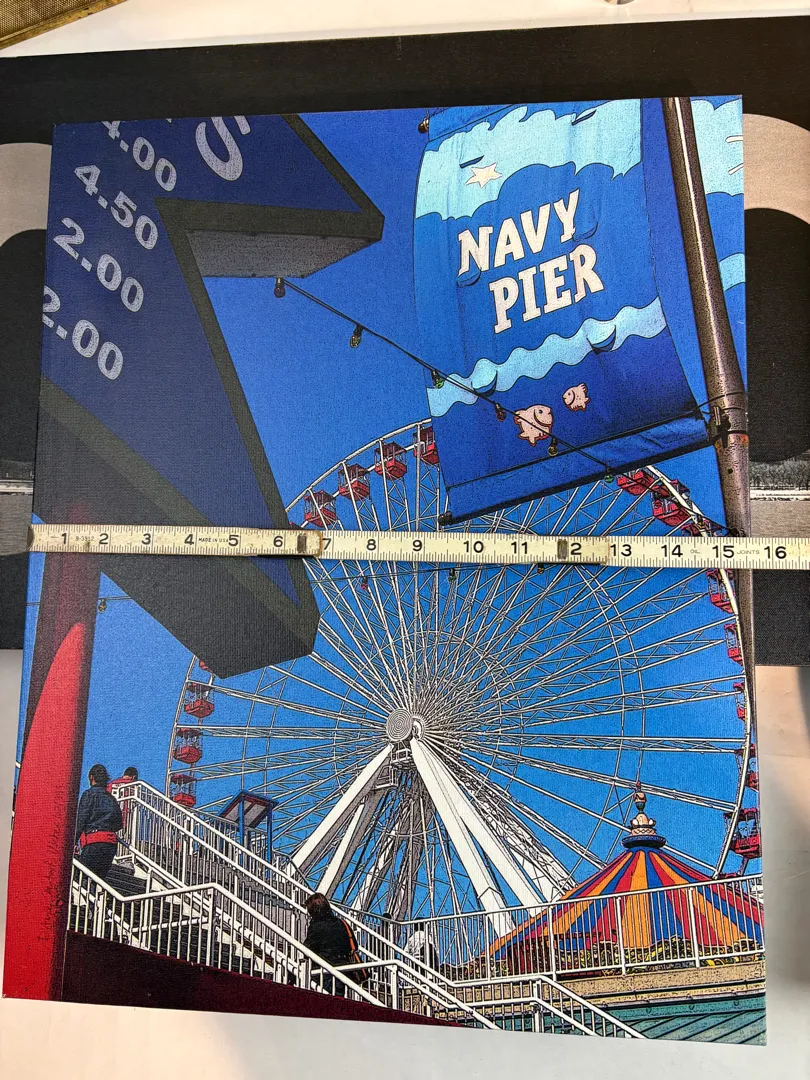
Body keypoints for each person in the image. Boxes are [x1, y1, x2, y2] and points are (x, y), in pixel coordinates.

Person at [75, 764, 123, 881]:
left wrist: (73, 840)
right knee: (98, 878)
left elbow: (81, 819)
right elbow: (119, 823)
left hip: (94, 841)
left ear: (91, 777)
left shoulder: (89, 794)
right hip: (110, 843)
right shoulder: (111, 798)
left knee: (82, 877)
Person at [302, 892, 354, 996]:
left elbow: (308, 949)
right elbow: (353, 945)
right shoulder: (341, 923)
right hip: (343, 969)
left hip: (324, 970)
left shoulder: (316, 926)